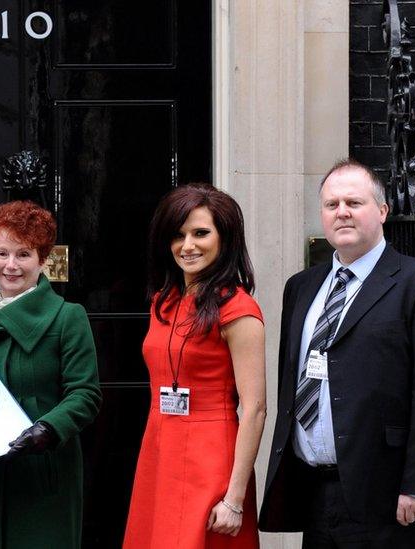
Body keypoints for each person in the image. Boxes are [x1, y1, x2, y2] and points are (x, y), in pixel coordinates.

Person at [259, 159, 415, 547]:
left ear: (383, 211)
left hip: (387, 499)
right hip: (315, 494)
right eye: (331, 204)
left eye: (354, 203)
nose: (342, 212)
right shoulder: (301, 288)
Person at [122, 184, 267, 549]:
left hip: (211, 454)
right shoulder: (164, 301)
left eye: (201, 233)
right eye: (178, 235)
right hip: (160, 447)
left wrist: (235, 498)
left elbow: (255, 408)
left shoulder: (238, 309)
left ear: (225, 238)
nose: (187, 246)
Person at [0, 200, 102, 549]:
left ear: (43, 259)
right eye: (2, 253)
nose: (11, 265)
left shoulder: (68, 316)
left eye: (23, 254)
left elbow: (86, 393)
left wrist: (48, 430)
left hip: (43, 468)